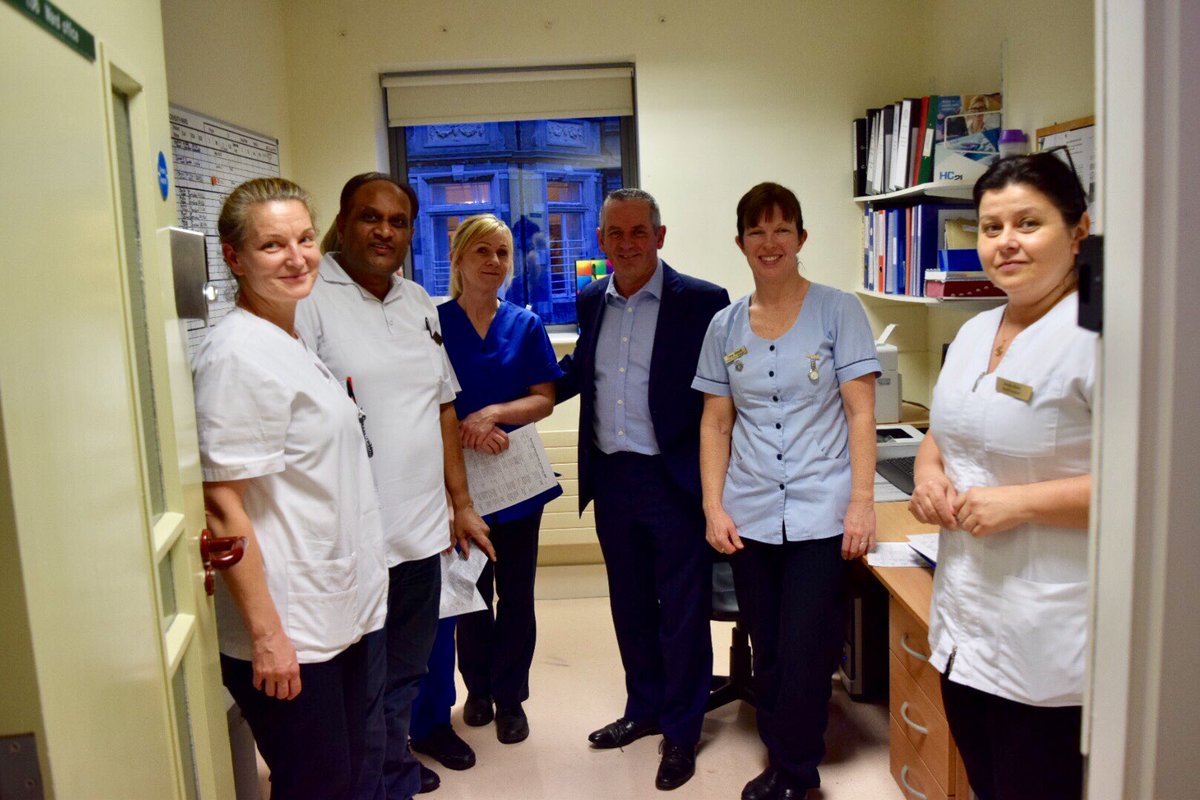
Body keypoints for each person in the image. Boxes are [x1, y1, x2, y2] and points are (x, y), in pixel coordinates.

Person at [295, 172, 494, 800]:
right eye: (369, 217)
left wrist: (461, 505)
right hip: (355, 537)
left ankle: (393, 773)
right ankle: (372, 782)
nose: (384, 231)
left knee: (407, 671)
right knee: (361, 683)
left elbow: (442, 407)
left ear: (411, 232)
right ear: (343, 222)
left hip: (421, 530)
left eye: (398, 221)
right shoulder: (310, 299)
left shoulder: (417, 303)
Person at [908, 153, 1094, 800]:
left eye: (1028, 223)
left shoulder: (1101, 337)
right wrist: (928, 476)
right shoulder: (975, 330)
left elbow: (1150, 487)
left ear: (1078, 231)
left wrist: (1022, 503)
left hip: (1049, 638)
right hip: (965, 619)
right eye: (991, 228)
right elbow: (945, 431)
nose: (1006, 242)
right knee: (986, 784)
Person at [194, 178, 388, 800]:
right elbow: (221, 502)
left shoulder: (289, 338)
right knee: (317, 786)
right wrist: (267, 636)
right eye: (272, 245)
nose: (297, 257)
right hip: (288, 628)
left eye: (304, 239)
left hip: (330, 613)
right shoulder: (234, 357)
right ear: (234, 257)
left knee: (342, 777)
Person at [693, 182, 880, 800]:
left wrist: (862, 503)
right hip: (749, 510)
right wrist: (713, 506)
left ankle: (795, 772)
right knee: (769, 646)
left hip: (821, 509)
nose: (769, 243)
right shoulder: (723, 326)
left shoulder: (838, 311)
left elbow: (860, 412)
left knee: (807, 647)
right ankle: (782, 753)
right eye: (757, 231)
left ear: (801, 238)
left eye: (781, 230)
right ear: (741, 242)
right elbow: (716, 423)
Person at [557, 188, 729, 791]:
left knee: (682, 612)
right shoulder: (590, 300)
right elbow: (580, 373)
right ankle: (644, 708)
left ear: (660, 236)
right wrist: (508, 403)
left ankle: (682, 730)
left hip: (674, 477)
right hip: (613, 475)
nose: (626, 244)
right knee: (629, 604)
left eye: (638, 232)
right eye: (615, 233)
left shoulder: (703, 302)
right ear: (601, 240)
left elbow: (722, 397)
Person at [434, 214, 564, 745]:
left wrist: (493, 416)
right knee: (469, 592)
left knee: (517, 595)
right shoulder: (434, 325)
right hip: (458, 482)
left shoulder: (525, 325)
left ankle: (511, 697)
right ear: (458, 259)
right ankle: (478, 690)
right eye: (482, 251)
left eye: (502, 253)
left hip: (516, 482)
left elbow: (544, 399)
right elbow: (429, 402)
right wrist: (468, 432)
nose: (494, 262)